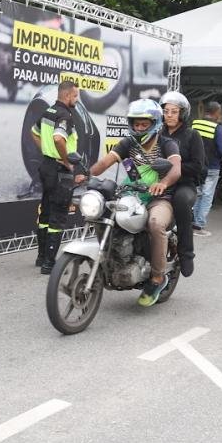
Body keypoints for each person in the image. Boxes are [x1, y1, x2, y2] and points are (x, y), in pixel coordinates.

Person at [89, 99, 181, 306]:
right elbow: (105, 162)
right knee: (102, 215)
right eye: (136, 124)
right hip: (131, 195)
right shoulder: (128, 143)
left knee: (155, 224)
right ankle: (115, 261)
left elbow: (176, 169)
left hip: (159, 199)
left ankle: (157, 278)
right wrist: (85, 176)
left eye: (144, 124)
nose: (139, 128)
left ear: (155, 123)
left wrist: (163, 183)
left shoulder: (167, 144)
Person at [32, 80, 84, 274]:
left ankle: (41, 258)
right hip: (60, 171)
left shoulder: (48, 111)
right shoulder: (64, 115)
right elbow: (58, 138)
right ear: (68, 95)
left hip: (46, 166)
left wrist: (47, 151)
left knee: (45, 212)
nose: (76, 100)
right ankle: (49, 264)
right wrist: (66, 160)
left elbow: (34, 132)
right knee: (58, 216)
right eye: (76, 96)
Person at [159, 91, 205, 277]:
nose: (169, 115)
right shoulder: (156, 133)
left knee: (181, 201)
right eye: (166, 111)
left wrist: (171, 166)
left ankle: (186, 254)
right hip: (159, 183)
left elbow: (198, 166)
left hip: (184, 184)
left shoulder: (192, 135)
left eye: (174, 111)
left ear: (182, 113)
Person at [191, 101, 222, 236]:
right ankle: (199, 225)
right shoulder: (217, 128)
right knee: (207, 196)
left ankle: (192, 222)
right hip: (211, 166)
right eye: (219, 112)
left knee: (197, 194)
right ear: (216, 112)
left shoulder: (195, 124)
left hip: (196, 165)